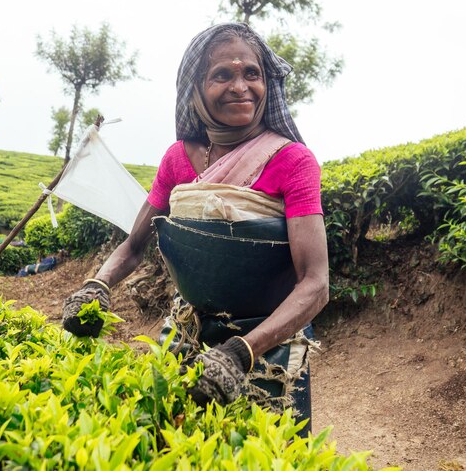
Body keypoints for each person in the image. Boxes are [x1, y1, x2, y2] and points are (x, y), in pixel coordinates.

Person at [62, 23, 328, 434]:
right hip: (190, 330)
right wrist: (97, 285)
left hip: (268, 341)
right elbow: (133, 246)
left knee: (267, 452)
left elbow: (315, 283)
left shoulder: (292, 161)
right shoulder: (177, 159)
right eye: (222, 75)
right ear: (196, 90)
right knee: (166, 439)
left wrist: (242, 352)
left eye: (251, 74)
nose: (241, 86)